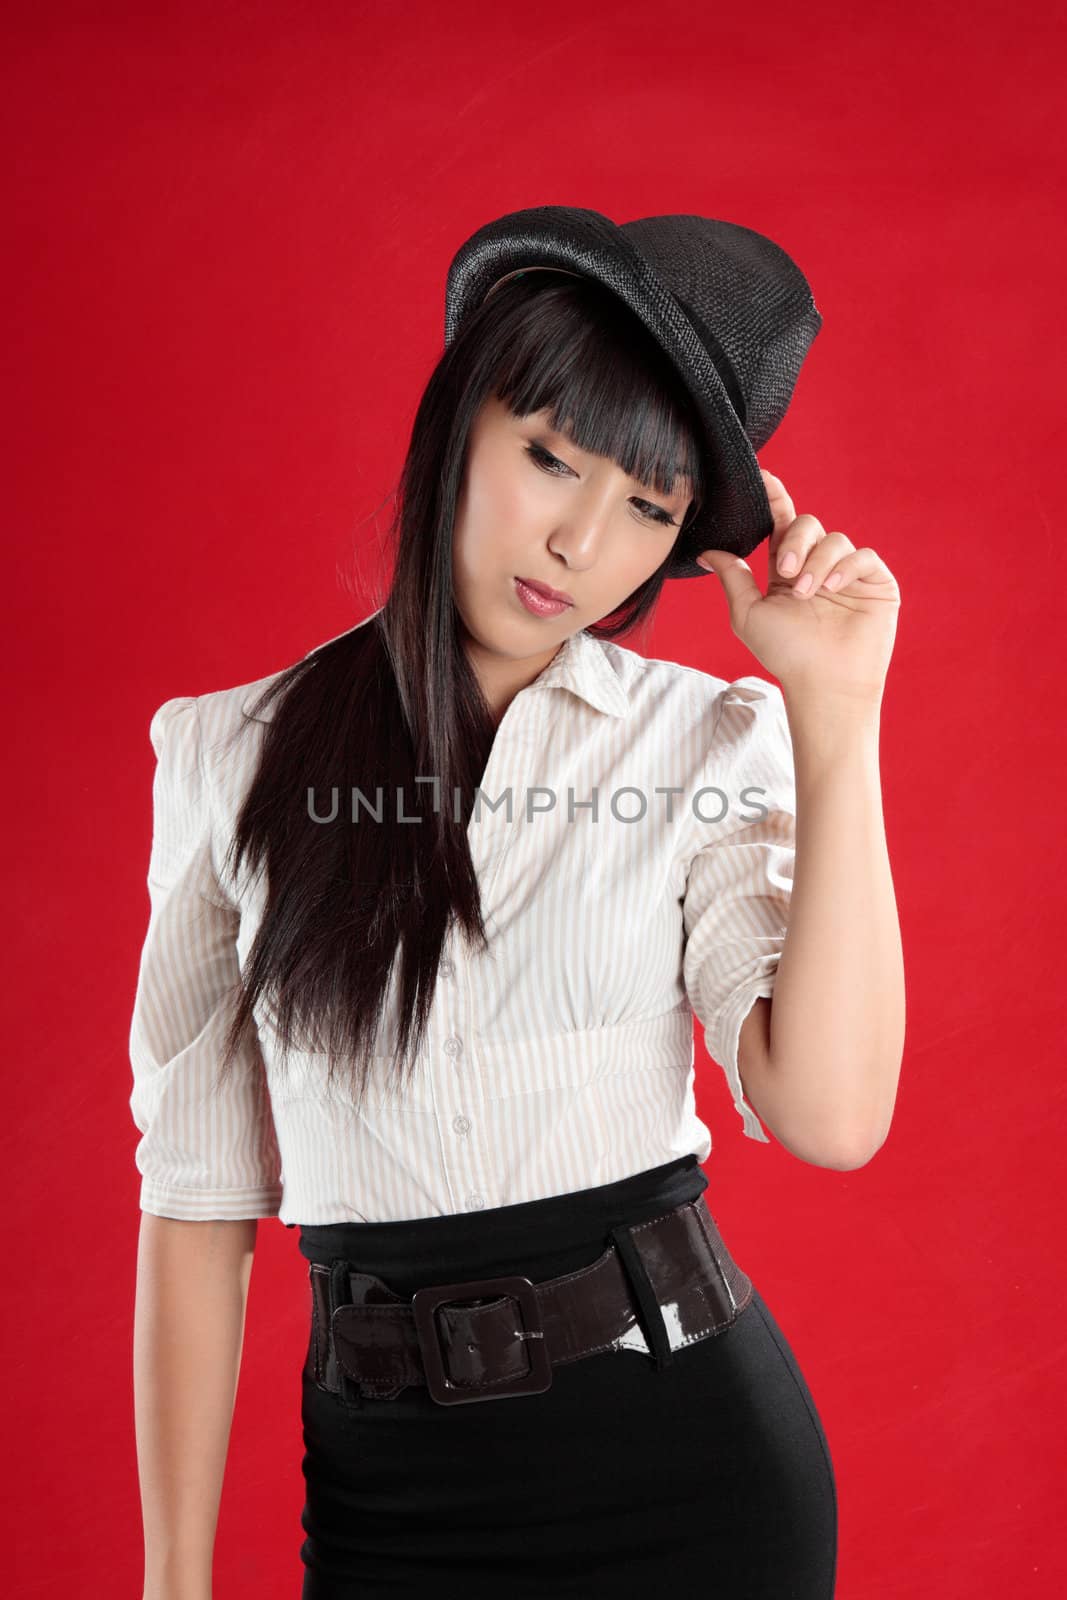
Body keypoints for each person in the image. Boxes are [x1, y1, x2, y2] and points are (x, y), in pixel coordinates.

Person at [129, 205, 904, 1599]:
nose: (578, 545)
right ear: (459, 422)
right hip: (391, 1501)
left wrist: (835, 722)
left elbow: (832, 1115)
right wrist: (173, 1584)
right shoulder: (231, 755)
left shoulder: (700, 746)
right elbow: (196, 1208)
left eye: (648, 510)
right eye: (549, 456)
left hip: (692, 1478)